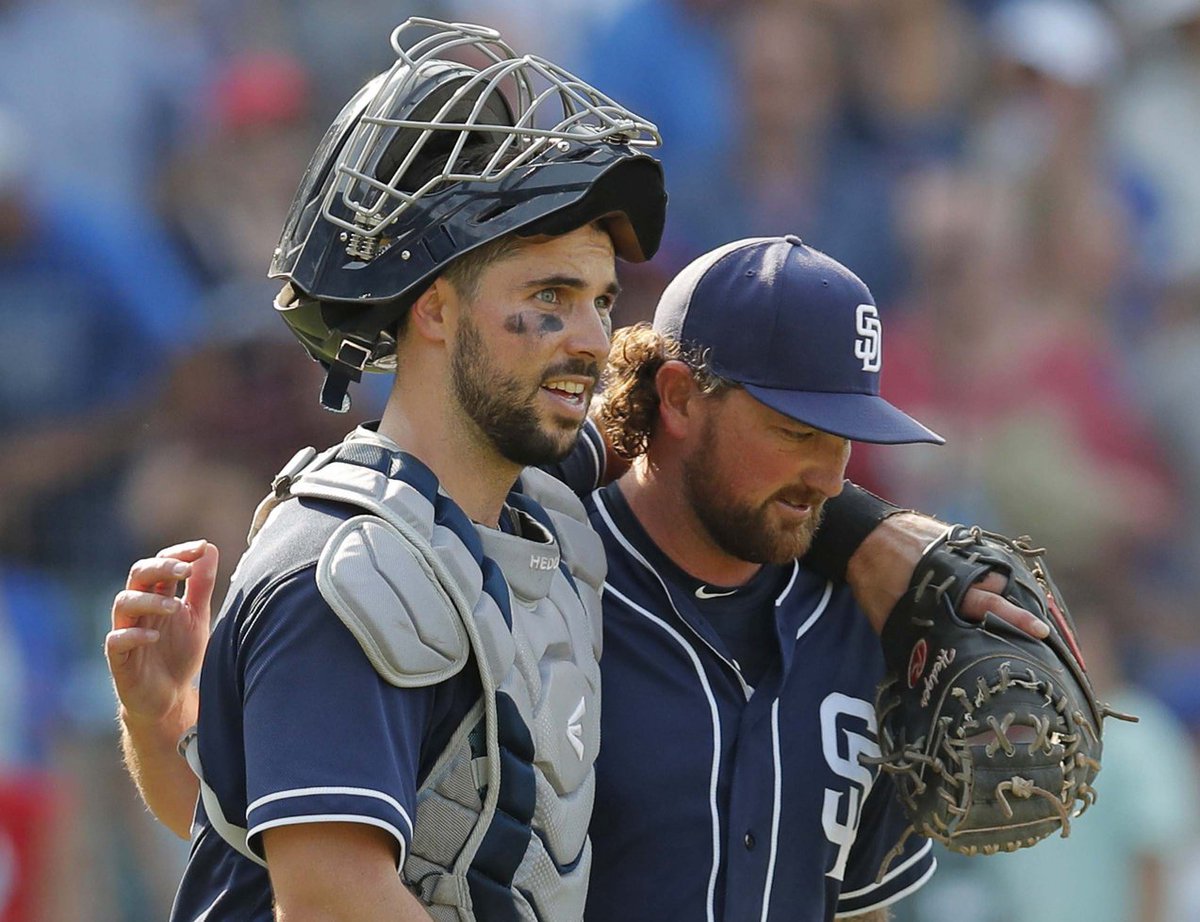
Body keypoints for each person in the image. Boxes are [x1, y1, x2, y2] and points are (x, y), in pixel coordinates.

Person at [107, 19, 1049, 922]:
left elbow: (254, 837)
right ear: (435, 309)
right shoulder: (350, 563)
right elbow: (326, 898)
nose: (591, 339)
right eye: (549, 299)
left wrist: (868, 533)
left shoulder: (532, 526)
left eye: (601, 301)